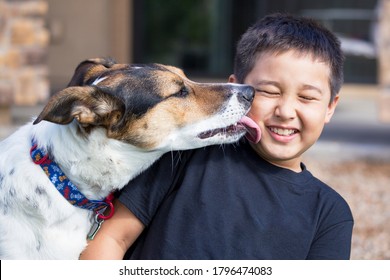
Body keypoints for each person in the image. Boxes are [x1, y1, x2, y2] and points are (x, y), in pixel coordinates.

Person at [80, 13, 354, 260]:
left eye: (306, 97)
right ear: (234, 91)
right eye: (269, 92)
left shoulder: (329, 214)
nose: (285, 111)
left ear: (330, 107)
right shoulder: (186, 152)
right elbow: (111, 239)